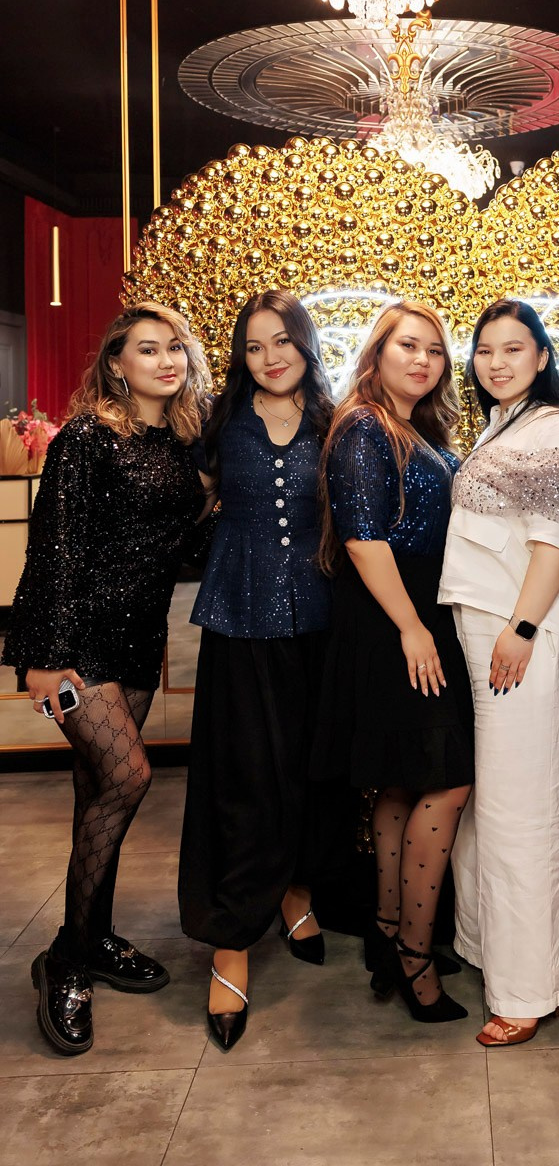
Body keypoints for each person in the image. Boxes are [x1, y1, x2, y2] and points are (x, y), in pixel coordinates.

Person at [3, 305, 210, 1055]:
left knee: (98, 794)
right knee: (128, 777)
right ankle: (64, 958)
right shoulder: (88, 437)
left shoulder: (178, 443)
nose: (165, 360)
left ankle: (92, 936)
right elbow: (53, 549)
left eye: (175, 347)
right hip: (74, 647)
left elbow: (177, 546)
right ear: (116, 363)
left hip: (136, 640)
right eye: (147, 350)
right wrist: (43, 657)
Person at [439, 299, 559, 1047]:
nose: (497, 362)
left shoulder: (553, 429)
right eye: (485, 350)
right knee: (492, 809)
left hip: (522, 637)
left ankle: (526, 990)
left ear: (542, 357)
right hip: (493, 629)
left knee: (522, 814)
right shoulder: (503, 426)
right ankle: (488, 951)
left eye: (514, 349)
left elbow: (557, 541)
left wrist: (524, 628)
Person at [177, 291, 334, 1052]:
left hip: (322, 622)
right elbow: (187, 506)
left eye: (282, 341)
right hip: (239, 620)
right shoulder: (216, 422)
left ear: (306, 344)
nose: (270, 357)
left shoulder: (336, 423)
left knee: (311, 769)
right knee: (242, 778)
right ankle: (232, 938)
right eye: (253, 346)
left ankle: (296, 889)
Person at [315, 301, 474, 1024]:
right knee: (447, 781)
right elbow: (362, 538)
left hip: (413, 613)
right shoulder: (364, 426)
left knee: (404, 784)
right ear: (375, 353)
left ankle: (387, 934)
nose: (422, 360)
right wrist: (412, 628)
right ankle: (414, 955)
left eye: (434, 351)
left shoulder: (415, 429)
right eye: (407, 345)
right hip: (394, 618)